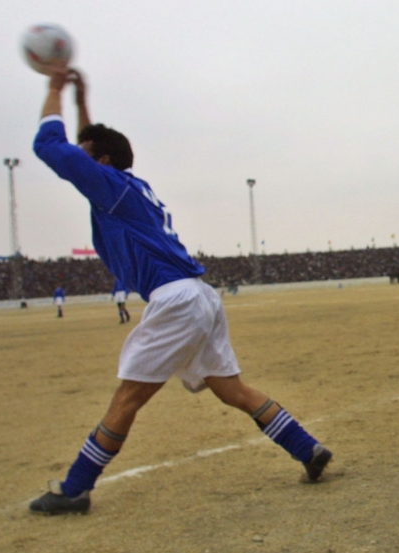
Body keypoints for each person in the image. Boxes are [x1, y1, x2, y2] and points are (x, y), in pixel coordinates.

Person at [28, 66, 332, 515]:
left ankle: (75, 488)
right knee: (232, 390)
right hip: (199, 295)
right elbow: (91, 147)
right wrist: (80, 101)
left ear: (102, 164)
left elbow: (48, 147)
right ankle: (307, 448)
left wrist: (53, 87)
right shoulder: (129, 186)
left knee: (127, 398)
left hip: (175, 300)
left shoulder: (108, 187)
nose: (80, 158)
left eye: (86, 155)